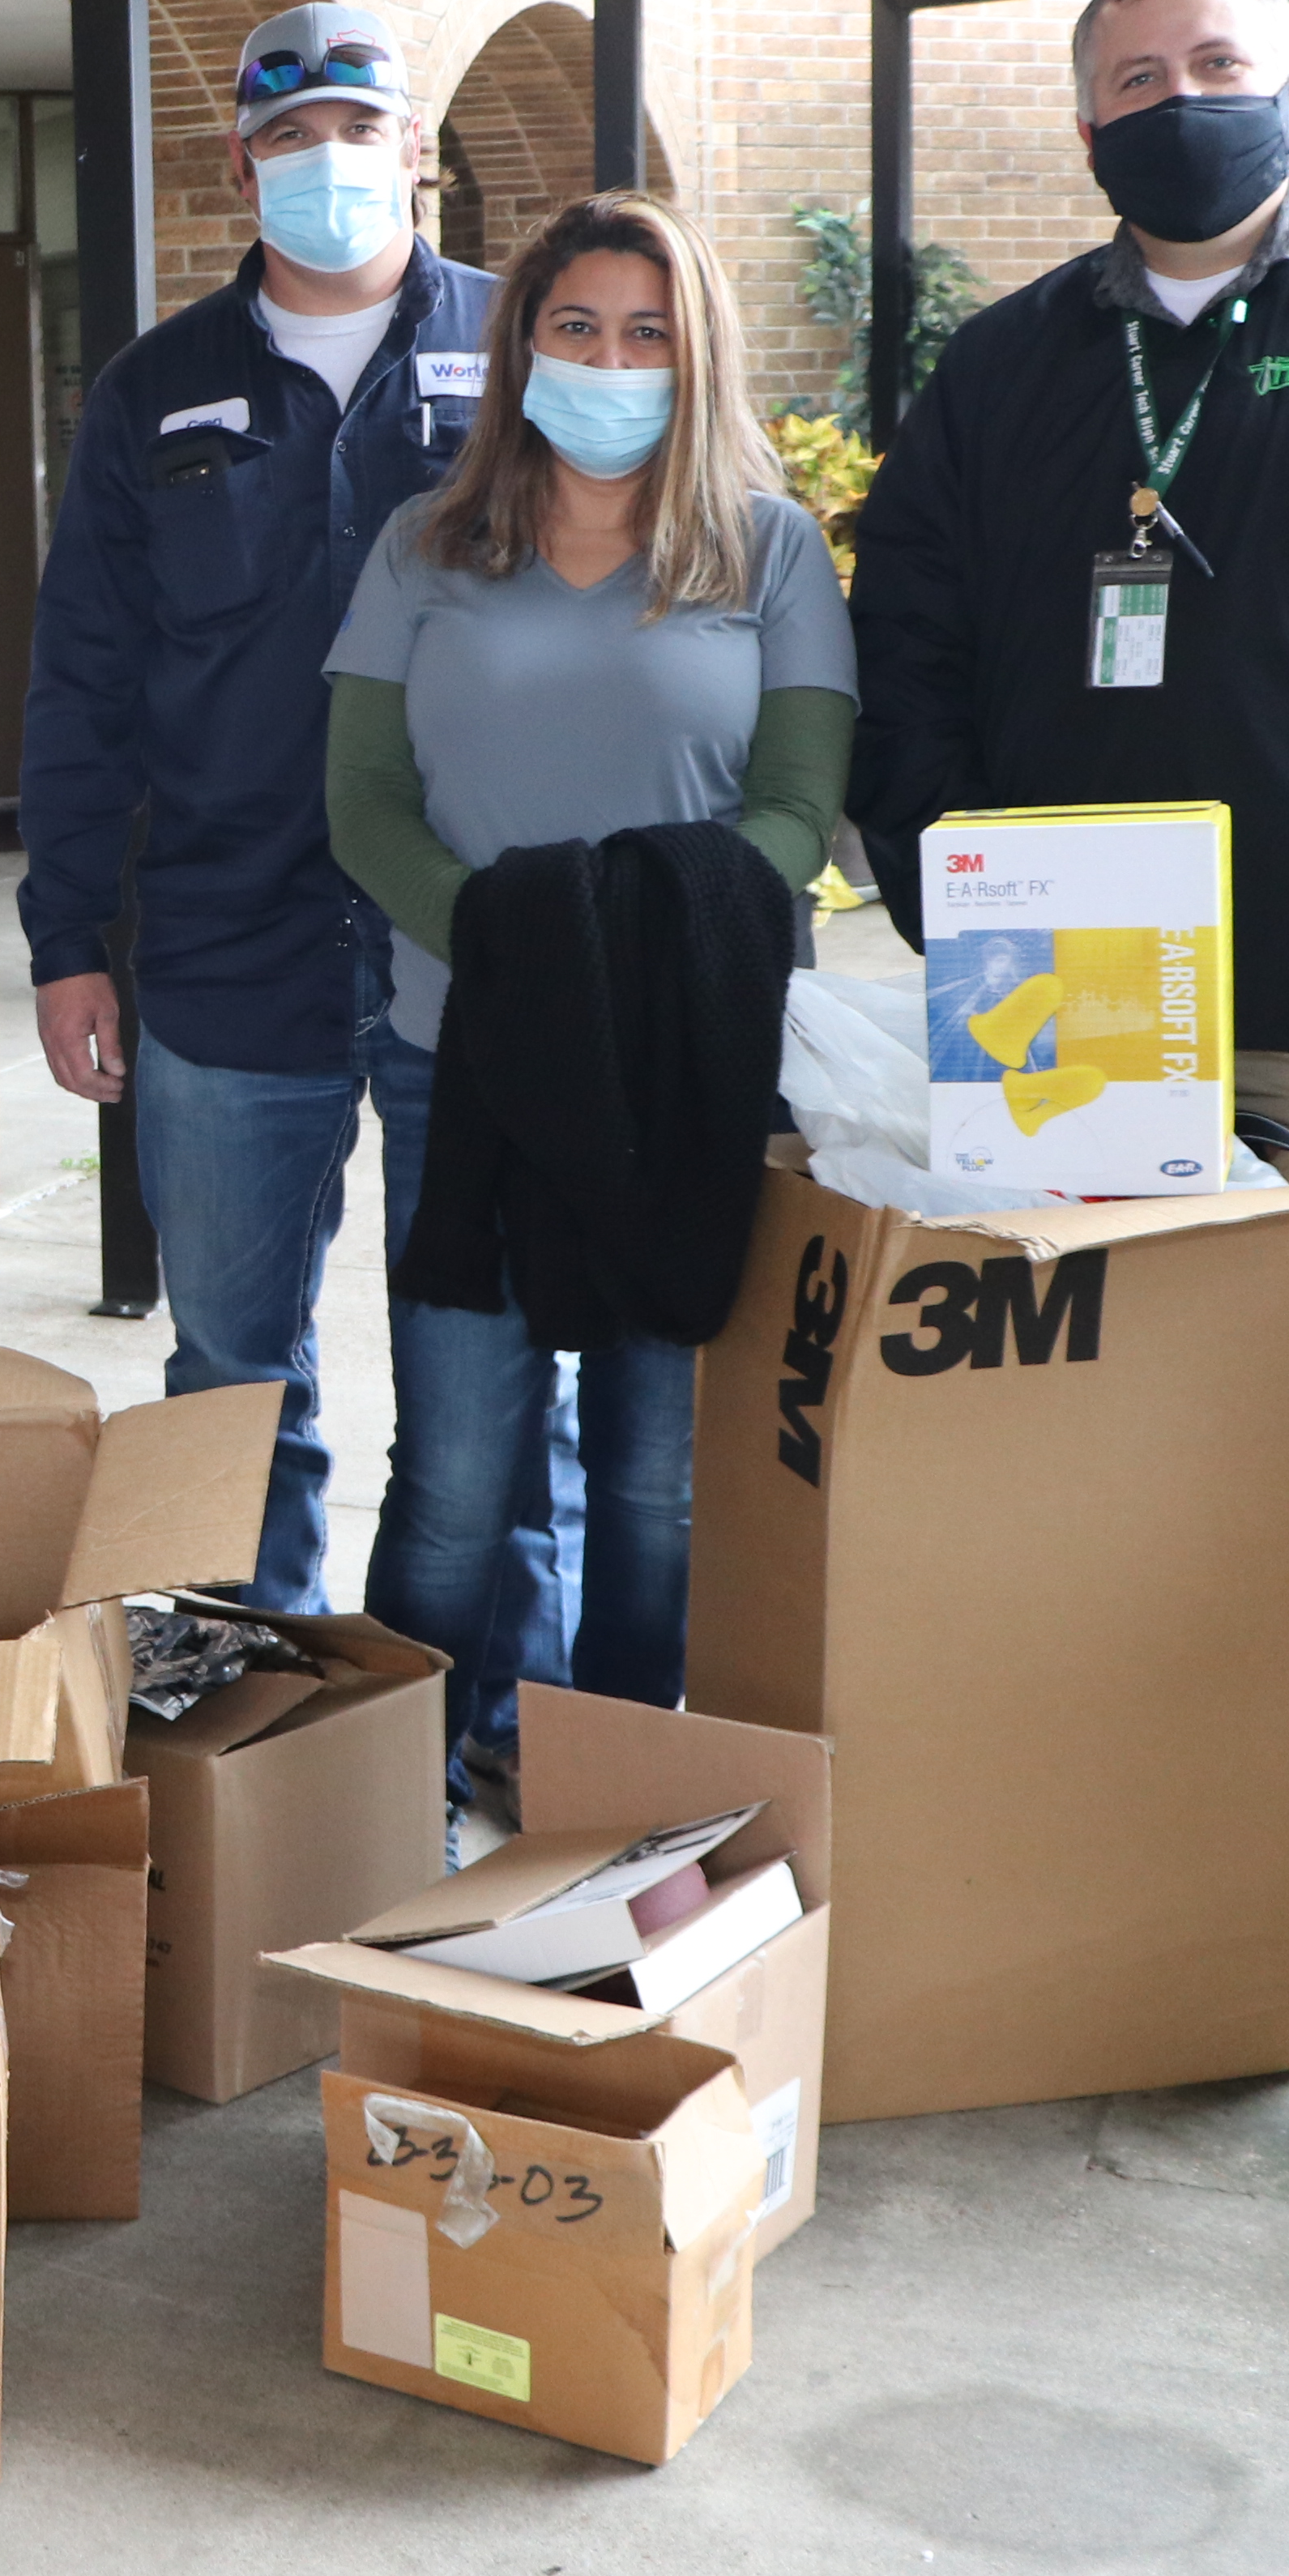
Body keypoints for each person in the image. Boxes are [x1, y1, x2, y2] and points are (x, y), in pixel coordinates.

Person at [844, 0, 1289, 2002]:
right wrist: (975, 938)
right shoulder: (1013, 366)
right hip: (1073, 1024)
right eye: (1138, 74)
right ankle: (1093, 1802)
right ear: (1087, 119)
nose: (1179, 95)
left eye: (1218, 60)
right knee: (1076, 1444)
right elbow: (907, 659)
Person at [18, 0, 570, 1794]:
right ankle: (254, 1732)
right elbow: (85, 682)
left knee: (485, 1378)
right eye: (290, 134)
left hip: (469, 954)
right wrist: (66, 949)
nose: (328, 163)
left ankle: (485, 1718)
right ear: (240, 162)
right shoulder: (154, 387)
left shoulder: (525, 348)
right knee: (233, 1373)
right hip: (226, 949)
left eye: (359, 127)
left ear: (415, 148)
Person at [326, 191, 854, 1750]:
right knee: (455, 1481)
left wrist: (624, 960)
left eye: (648, 332)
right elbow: (362, 806)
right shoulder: (424, 546)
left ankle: (616, 1792)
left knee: (655, 1483)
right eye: (578, 327)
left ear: (697, 357)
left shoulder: (770, 549)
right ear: (522, 348)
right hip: (461, 1063)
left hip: (694, 1078)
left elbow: (795, 809)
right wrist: (512, 953)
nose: (612, 359)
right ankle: (391, 1798)